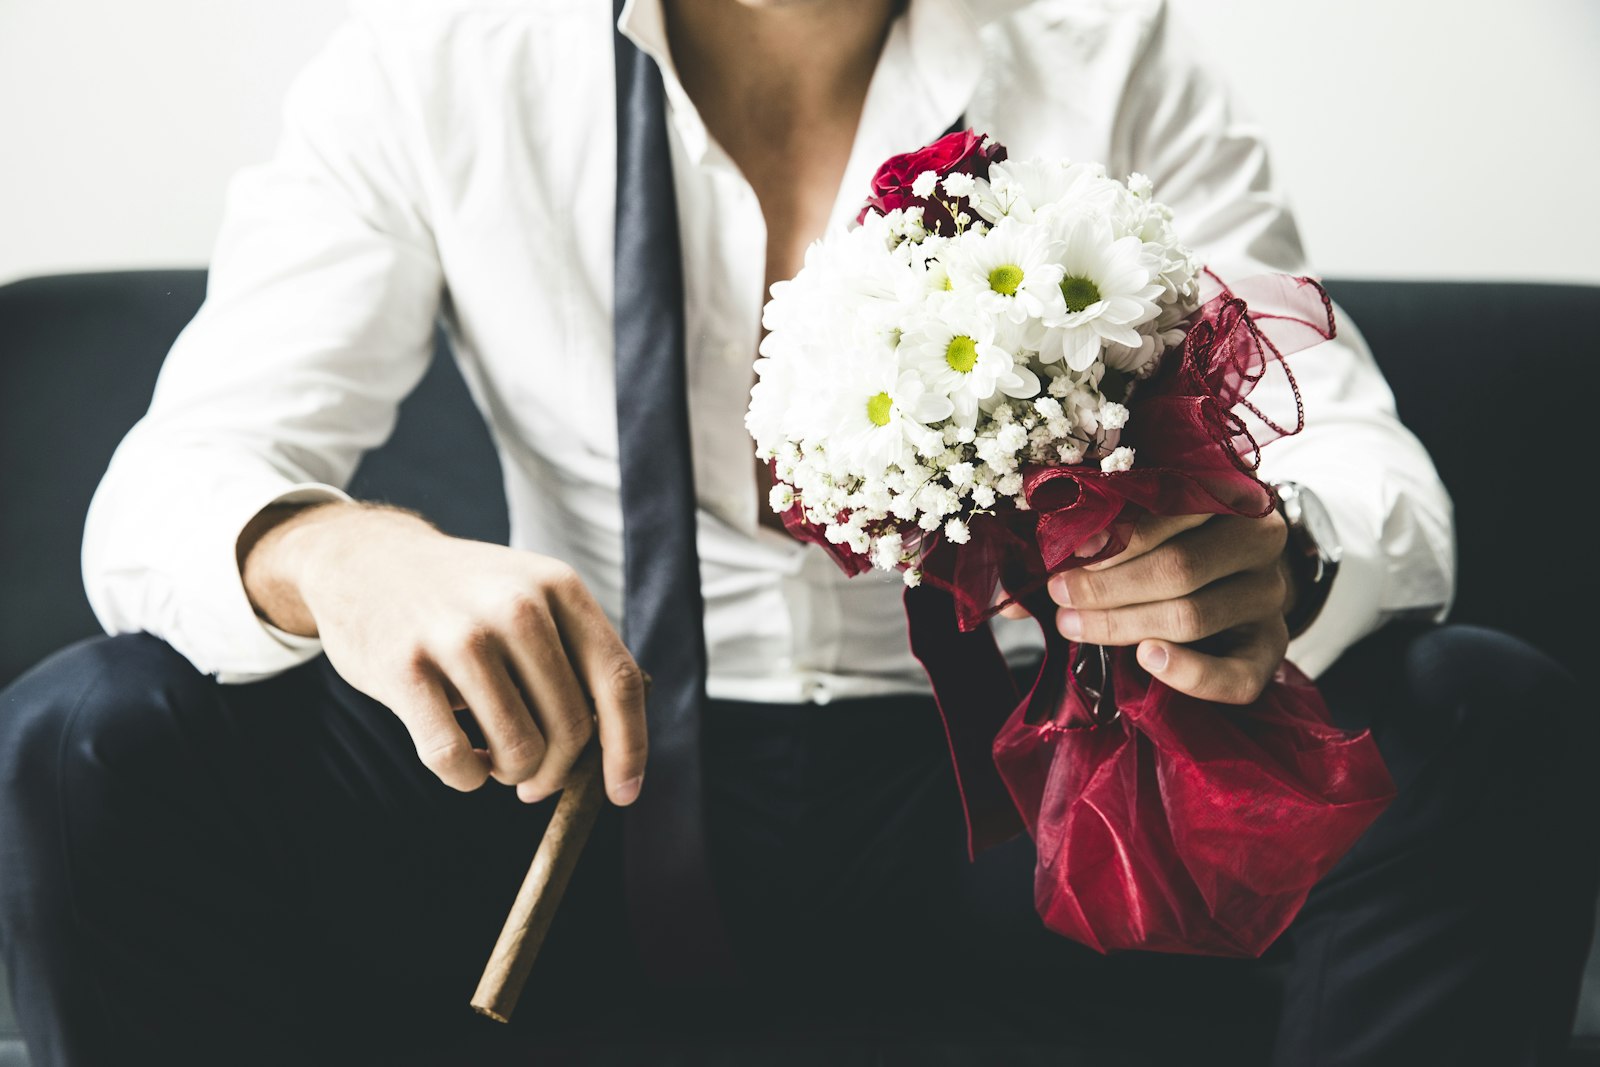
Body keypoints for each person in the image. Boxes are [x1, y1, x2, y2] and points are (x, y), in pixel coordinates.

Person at [0, 0, 1593, 1064]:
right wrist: (342, 555)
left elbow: (1369, 470)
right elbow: (178, 476)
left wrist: (1274, 559)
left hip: (1027, 792)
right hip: (586, 785)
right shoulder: (437, 60)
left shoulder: (1109, 61)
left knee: (1479, 717)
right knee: (90, 736)